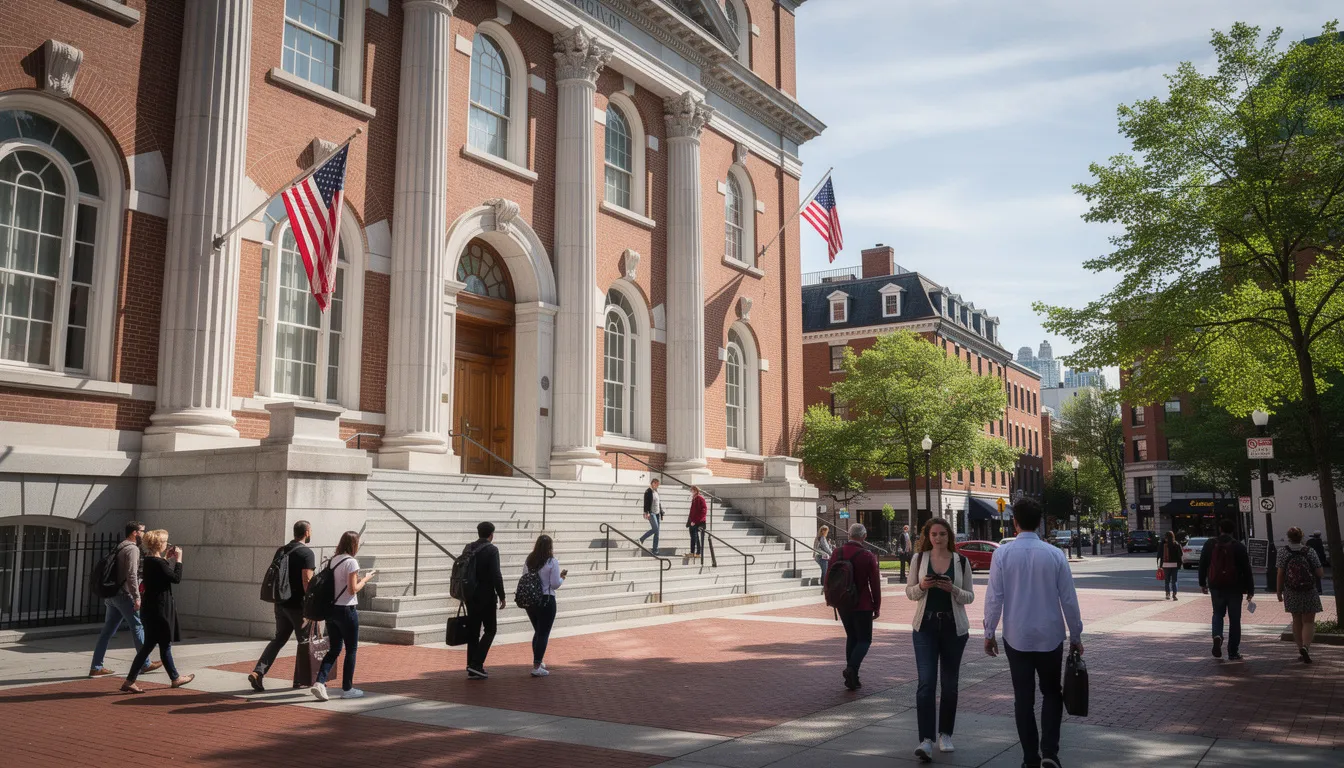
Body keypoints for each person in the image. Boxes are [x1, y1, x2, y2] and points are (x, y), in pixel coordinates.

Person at [983, 498, 1083, 768]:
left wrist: (989, 631)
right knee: (1052, 692)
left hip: (1017, 635)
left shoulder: (1002, 554)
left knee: (1023, 698)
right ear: (1039, 523)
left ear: (1014, 522)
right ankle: (1050, 751)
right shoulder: (1054, 555)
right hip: (1050, 635)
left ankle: (1030, 757)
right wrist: (1076, 635)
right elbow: (1069, 600)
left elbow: (995, 597)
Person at [906, 518, 975, 763]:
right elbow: (910, 592)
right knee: (926, 683)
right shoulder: (919, 559)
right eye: (933, 534)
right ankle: (925, 740)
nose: (938, 538)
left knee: (950, 683)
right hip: (924, 626)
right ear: (928, 536)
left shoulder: (961, 561)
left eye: (942, 534)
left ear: (949, 536)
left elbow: (969, 597)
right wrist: (923, 585)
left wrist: (952, 590)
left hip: (953, 628)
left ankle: (945, 733)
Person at [120, 530, 192, 693]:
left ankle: (130, 680)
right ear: (160, 544)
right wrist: (179, 560)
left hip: (150, 607)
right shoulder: (157, 563)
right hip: (159, 608)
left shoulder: (150, 560)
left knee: (149, 645)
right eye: (166, 541)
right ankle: (175, 678)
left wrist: (167, 557)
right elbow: (175, 578)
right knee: (164, 643)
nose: (168, 544)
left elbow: (162, 570)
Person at [249, 520, 316, 691]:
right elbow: (307, 580)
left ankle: (258, 672)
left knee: (279, 639)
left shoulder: (281, 550)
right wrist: (312, 602)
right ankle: (299, 680)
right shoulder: (307, 553)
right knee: (303, 641)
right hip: (299, 606)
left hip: (280, 603)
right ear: (307, 533)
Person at [90, 521, 162, 678]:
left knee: (107, 631)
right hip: (124, 595)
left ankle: (96, 666)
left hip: (112, 595)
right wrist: (137, 597)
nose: (144, 533)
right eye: (143, 530)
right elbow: (131, 575)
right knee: (137, 627)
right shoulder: (132, 549)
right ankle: (146, 663)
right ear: (135, 533)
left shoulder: (120, 546)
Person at [311, 531, 376, 701]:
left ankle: (320, 682)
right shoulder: (352, 562)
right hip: (347, 610)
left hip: (332, 610)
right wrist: (366, 579)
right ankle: (347, 688)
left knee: (334, 648)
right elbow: (352, 589)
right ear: (354, 544)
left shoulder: (334, 560)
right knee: (351, 649)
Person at [829, 523, 882, 691]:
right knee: (865, 639)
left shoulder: (836, 553)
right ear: (864, 536)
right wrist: (877, 605)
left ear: (849, 535)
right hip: (863, 604)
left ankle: (853, 677)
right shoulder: (867, 555)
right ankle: (851, 668)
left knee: (851, 637)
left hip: (843, 603)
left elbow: (828, 579)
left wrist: (832, 600)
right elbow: (874, 583)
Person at [1198, 518, 1254, 661]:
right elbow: (1247, 569)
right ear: (1233, 530)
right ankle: (1233, 652)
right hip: (1235, 587)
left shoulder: (1210, 544)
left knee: (1217, 613)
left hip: (1216, 586)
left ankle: (1217, 635)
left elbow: (1203, 564)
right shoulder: (1238, 546)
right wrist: (1250, 589)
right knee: (1235, 620)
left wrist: (1202, 583)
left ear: (1220, 529)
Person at [463, 521, 507, 680]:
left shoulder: (469, 548)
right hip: (486, 596)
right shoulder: (492, 550)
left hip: (470, 594)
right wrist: (502, 595)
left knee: (473, 632)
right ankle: (476, 663)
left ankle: (472, 666)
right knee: (490, 630)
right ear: (491, 534)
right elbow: (496, 574)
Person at [1277, 527, 1325, 664]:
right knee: (1309, 621)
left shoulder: (1283, 552)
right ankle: (1306, 647)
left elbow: (1280, 574)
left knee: (1296, 620)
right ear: (1302, 537)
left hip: (1291, 591)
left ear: (1288, 537)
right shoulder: (1309, 551)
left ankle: (1299, 648)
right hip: (1309, 590)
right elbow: (1320, 573)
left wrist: (1279, 592)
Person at [523, 534, 566, 676]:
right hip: (547, 599)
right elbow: (555, 584)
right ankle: (537, 665)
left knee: (538, 631)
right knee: (543, 633)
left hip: (531, 600)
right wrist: (562, 578)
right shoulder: (552, 562)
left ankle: (538, 660)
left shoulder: (530, 560)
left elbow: (524, 576)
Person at [640, 478, 662, 554]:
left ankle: (655, 549)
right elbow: (646, 503)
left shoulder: (656, 491)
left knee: (657, 533)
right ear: (653, 483)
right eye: (657, 484)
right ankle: (641, 539)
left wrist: (661, 512)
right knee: (655, 529)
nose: (658, 486)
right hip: (651, 513)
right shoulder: (648, 491)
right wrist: (646, 512)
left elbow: (658, 503)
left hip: (657, 513)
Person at [1158, 531, 1182, 601]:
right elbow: (1180, 554)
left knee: (1167, 580)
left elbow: (1159, 554)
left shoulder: (1163, 544)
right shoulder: (1176, 544)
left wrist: (1160, 565)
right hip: (1175, 565)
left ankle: (1167, 594)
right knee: (1174, 580)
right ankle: (1174, 595)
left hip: (1165, 565)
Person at [687, 485, 707, 560]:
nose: (691, 491)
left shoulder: (700, 498)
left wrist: (695, 521)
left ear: (695, 490)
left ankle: (697, 553)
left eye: (692, 490)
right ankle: (693, 552)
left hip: (698, 521)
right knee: (694, 537)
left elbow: (704, 510)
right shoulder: (694, 498)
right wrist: (691, 520)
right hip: (693, 521)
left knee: (695, 537)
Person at [815, 525, 834, 591]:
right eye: (826, 531)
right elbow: (826, 548)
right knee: (825, 571)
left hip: (819, 556)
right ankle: (824, 585)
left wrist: (829, 544)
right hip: (822, 557)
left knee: (825, 570)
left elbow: (818, 547)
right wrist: (833, 554)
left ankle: (824, 584)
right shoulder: (822, 538)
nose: (827, 532)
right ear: (822, 531)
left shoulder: (818, 537)